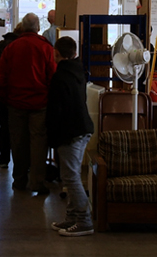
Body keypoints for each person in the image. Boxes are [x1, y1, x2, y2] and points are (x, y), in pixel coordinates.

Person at [0, 13, 57, 195]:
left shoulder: (11, 48)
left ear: (22, 27)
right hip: (39, 104)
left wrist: (7, 98)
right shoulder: (46, 48)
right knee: (38, 144)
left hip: (16, 104)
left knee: (18, 143)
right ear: (38, 28)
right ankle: (37, 182)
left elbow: (1, 77)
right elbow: (52, 76)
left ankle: (19, 181)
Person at [46, 36, 94, 237]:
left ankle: (84, 221)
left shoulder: (60, 77)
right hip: (82, 128)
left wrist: (51, 136)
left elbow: (56, 110)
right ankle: (72, 217)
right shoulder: (77, 71)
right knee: (70, 175)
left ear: (56, 53)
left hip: (70, 132)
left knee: (71, 177)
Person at [0, 22, 23, 169]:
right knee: (20, 127)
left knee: (4, 126)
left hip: (2, 93)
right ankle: (20, 162)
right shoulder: (22, 47)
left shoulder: (2, 45)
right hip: (18, 93)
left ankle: (4, 159)